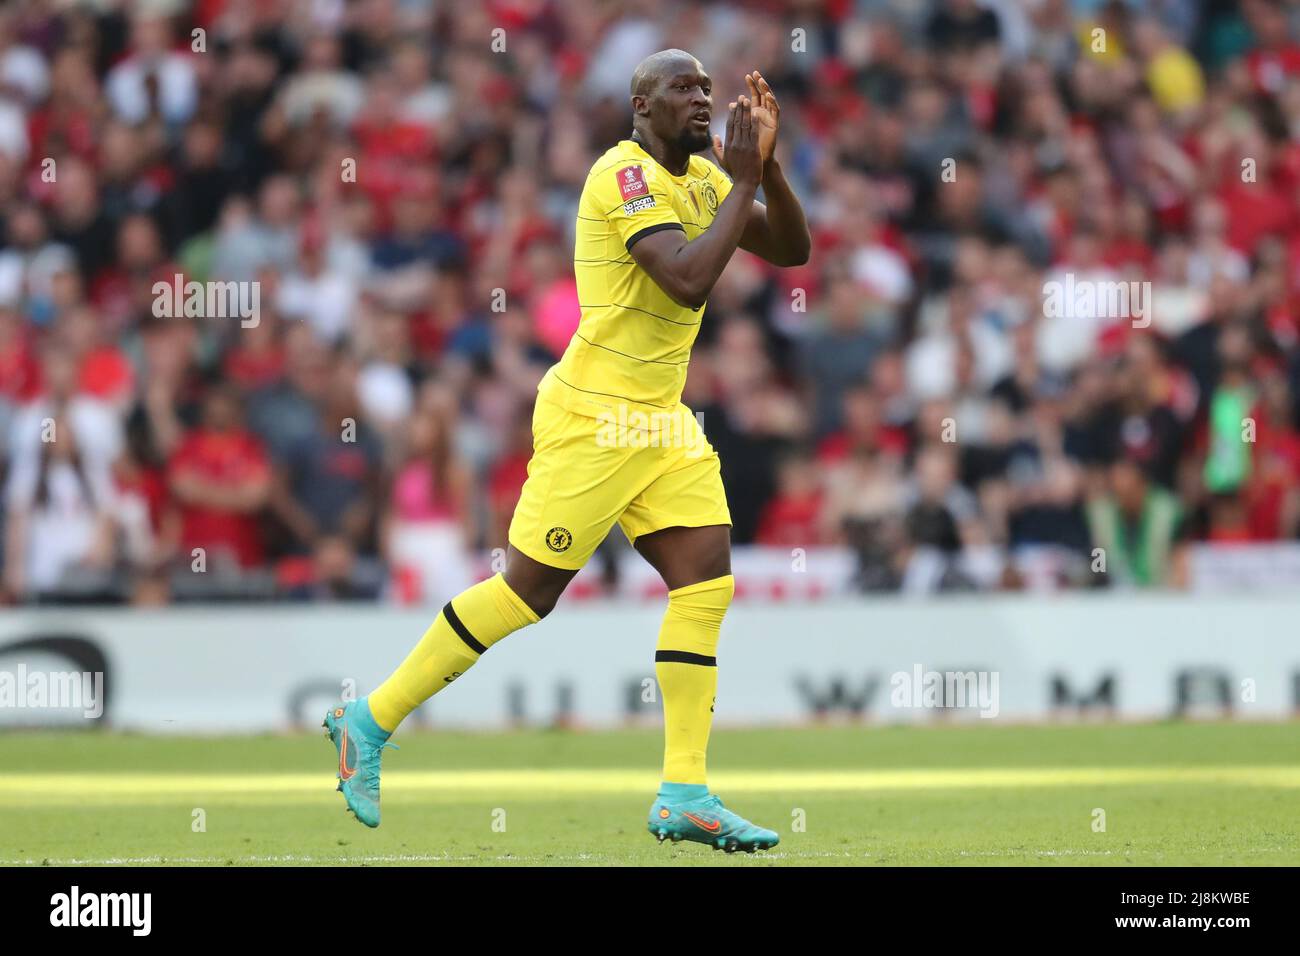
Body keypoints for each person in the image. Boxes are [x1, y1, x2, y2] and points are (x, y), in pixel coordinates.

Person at [324, 50, 810, 853]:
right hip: (595, 416)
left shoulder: (703, 180)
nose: (701, 100)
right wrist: (746, 182)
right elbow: (686, 282)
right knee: (526, 594)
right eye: (682, 89)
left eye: (705, 89)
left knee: (706, 582)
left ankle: (685, 790)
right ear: (640, 105)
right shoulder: (622, 177)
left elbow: (791, 253)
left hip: (660, 421)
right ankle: (366, 722)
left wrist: (769, 169)